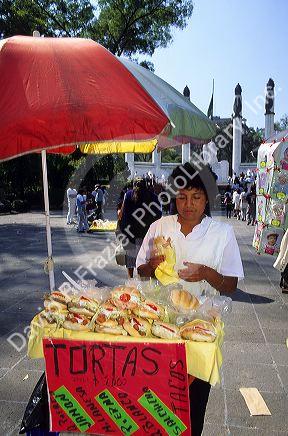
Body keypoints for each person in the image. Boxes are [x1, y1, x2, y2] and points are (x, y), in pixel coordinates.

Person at [136, 163, 244, 436]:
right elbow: (141, 271)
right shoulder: (160, 227)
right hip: (160, 326)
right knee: (154, 402)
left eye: (196, 197)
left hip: (200, 329)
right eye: (182, 196)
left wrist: (207, 273)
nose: (188, 204)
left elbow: (230, 285)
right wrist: (150, 265)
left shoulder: (222, 234)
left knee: (192, 409)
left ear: (207, 197)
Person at [119, 179, 162, 278]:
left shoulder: (128, 194)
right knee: (144, 258)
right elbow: (158, 215)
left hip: (130, 233)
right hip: (146, 233)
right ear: (146, 185)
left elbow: (122, 213)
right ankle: (143, 280)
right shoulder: (153, 196)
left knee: (130, 258)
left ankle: (130, 279)